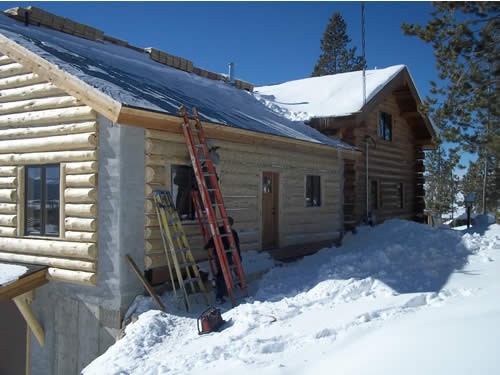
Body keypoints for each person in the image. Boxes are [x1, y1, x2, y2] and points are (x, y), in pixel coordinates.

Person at [204, 216, 242, 304]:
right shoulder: (231, 232)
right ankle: (220, 295)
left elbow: (212, 241)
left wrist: (207, 246)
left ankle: (218, 286)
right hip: (224, 256)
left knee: (222, 273)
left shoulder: (221, 231)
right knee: (225, 274)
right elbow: (236, 246)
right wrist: (239, 256)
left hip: (220, 255)